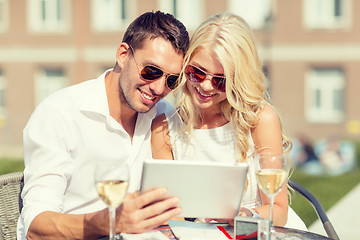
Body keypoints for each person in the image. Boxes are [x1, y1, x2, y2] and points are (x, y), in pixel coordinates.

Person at [17, 11, 189, 239]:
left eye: (171, 80)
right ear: (123, 55)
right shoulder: (59, 114)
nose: (158, 88)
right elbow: (35, 228)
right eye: (151, 71)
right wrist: (110, 222)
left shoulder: (164, 116)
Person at [151, 12, 304, 228]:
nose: (205, 86)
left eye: (221, 81)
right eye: (197, 72)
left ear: (238, 79)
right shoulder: (164, 129)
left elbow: (278, 211)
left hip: (262, 231)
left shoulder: (260, 119)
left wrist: (241, 216)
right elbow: (171, 216)